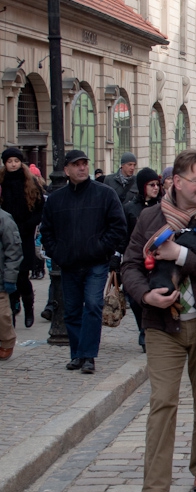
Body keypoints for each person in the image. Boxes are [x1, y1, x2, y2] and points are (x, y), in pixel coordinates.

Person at [121, 149, 196, 492]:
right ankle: (154, 487)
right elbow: (130, 264)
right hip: (162, 324)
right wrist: (144, 294)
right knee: (163, 402)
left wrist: (180, 255)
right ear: (176, 182)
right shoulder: (150, 217)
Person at [39, 150, 127, 374]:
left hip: (96, 262)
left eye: (84, 164)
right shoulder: (57, 199)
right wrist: (58, 253)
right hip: (69, 264)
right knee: (71, 310)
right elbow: (46, 231)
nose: (81, 168)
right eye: (76, 165)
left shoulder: (104, 194)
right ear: (66, 170)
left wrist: (101, 248)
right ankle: (77, 354)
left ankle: (88, 355)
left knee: (93, 305)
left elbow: (118, 227)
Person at [119, 168, 163, 353]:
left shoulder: (163, 207)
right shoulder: (130, 208)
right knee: (136, 298)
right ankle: (143, 328)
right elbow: (124, 235)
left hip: (159, 260)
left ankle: (151, 331)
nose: (155, 188)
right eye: (151, 185)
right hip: (137, 260)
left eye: (157, 185)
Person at [0, 148, 44, 328]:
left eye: (16, 161)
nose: (13, 164)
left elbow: (39, 209)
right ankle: (12, 306)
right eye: (9, 161)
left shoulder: (31, 182)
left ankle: (28, 307)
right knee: (7, 274)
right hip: (4, 235)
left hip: (24, 234)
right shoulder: (2, 182)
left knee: (22, 275)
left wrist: (28, 226)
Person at [0, 190, 22, 360]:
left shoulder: (4, 219)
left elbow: (13, 250)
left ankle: (7, 342)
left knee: (3, 315)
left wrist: (9, 277)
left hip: (1, 278)